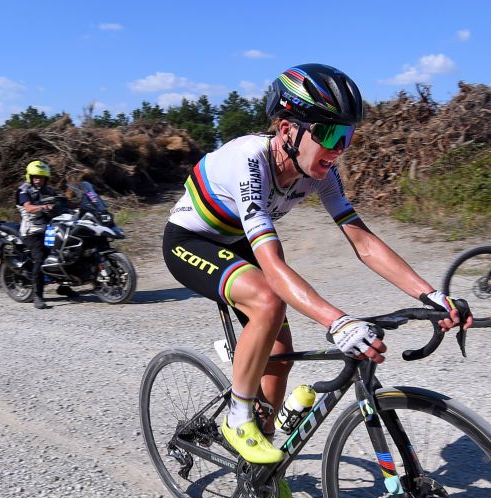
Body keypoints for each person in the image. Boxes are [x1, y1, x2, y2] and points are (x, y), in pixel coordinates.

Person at [162, 63, 470, 466]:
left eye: (347, 136)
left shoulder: (321, 172)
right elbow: (272, 266)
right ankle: (237, 419)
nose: (338, 148)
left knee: (281, 357)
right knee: (268, 301)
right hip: (191, 241)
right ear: (288, 129)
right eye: (328, 134)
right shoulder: (250, 160)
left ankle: (260, 461)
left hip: (239, 241)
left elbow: (363, 242)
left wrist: (431, 294)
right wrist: (338, 322)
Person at [16, 160, 60, 309]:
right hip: (32, 231)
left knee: (64, 251)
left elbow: (60, 203)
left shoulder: (49, 190)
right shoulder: (24, 190)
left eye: (41, 177)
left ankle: (64, 286)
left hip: (49, 229)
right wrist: (43, 207)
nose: (38, 180)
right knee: (40, 258)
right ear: (30, 176)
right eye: (35, 177)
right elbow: (28, 208)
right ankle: (37, 295)